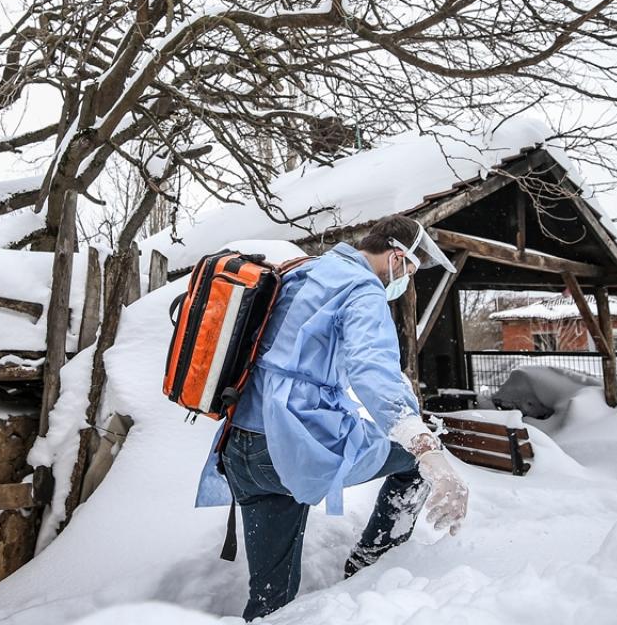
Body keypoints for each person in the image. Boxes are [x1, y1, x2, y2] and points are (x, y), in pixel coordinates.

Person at [194, 214, 471, 621]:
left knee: (271, 602)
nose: (406, 282)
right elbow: (372, 370)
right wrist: (428, 449)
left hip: (240, 448)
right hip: (291, 449)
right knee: (412, 463)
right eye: (409, 271)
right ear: (395, 258)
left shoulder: (303, 271)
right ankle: (370, 568)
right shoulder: (362, 290)